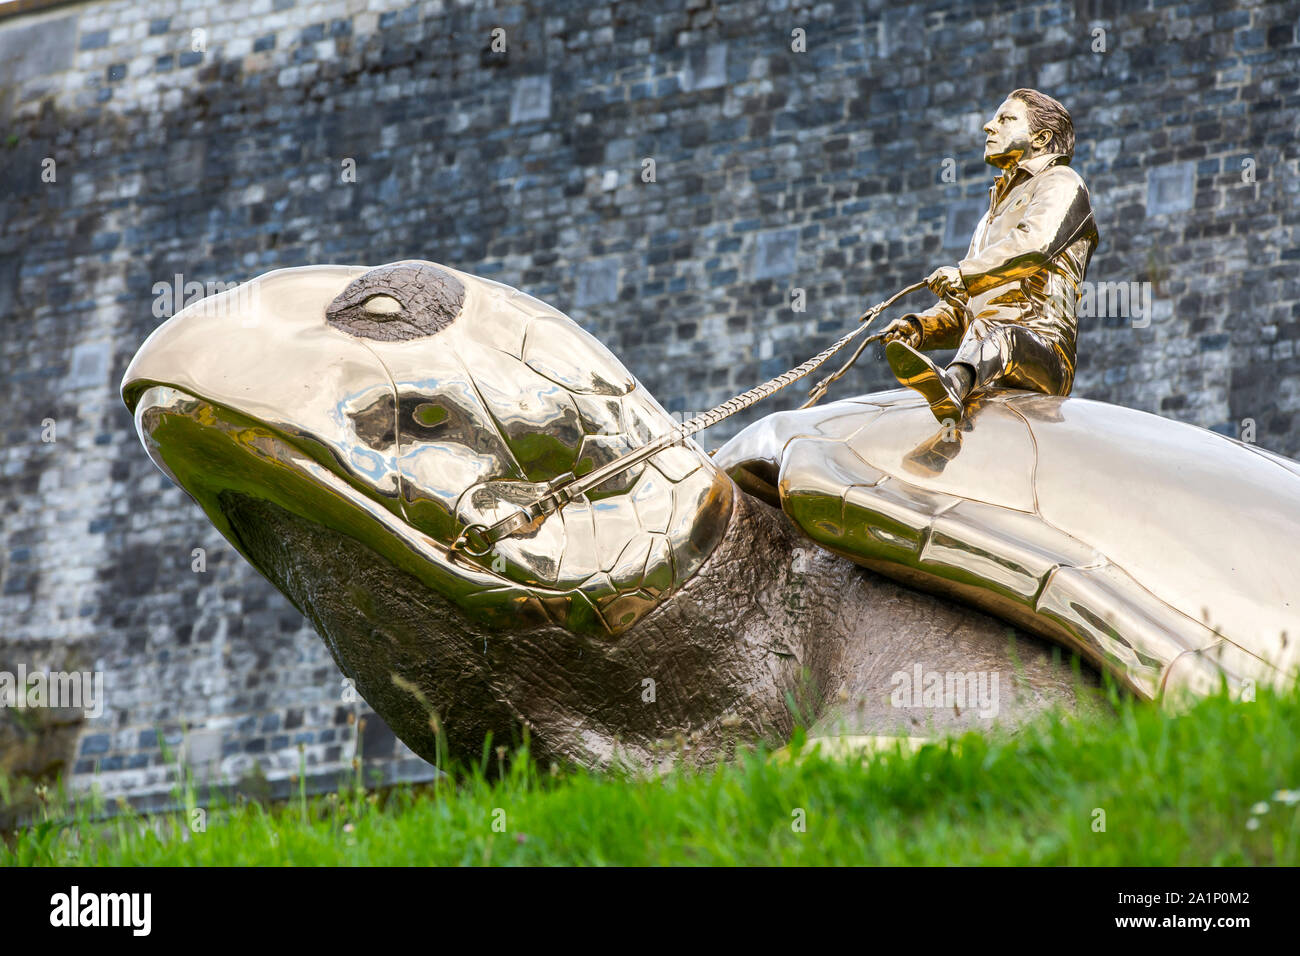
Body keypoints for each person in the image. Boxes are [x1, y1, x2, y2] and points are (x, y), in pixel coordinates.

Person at [874, 89, 1100, 423]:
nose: (988, 126)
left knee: (998, 333)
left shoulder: (1062, 183)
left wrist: (963, 274)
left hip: (1042, 349)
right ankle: (956, 382)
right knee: (985, 328)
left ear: (1041, 138)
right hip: (984, 348)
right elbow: (965, 307)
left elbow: (1034, 246)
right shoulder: (991, 215)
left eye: (1005, 119)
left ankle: (952, 385)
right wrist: (920, 328)